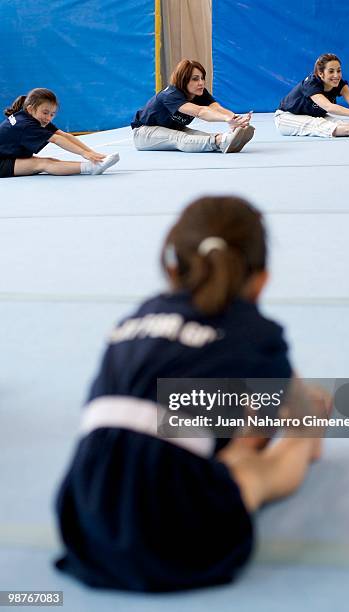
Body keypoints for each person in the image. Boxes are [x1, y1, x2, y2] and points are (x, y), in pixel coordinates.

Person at [55, 195, 330, 592]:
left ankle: (228, 448)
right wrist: (308, 425)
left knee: (178, 422)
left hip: (84, 518)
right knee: (265, 460)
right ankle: (244, 461)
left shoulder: (137, 315)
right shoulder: (256, 333)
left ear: (171, 266)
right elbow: (302, 422)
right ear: (261, 279)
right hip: (178, 541)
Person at [131, 59, 255, 153]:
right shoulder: (170, 95)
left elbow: (216, 108)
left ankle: (224, 141)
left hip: (172, 128)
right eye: (195, 79)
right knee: (179, 138)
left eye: (202, 78)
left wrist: (235, 118)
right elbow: (200, 111)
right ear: (183, 80)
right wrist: (227, 119)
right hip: (143, 133)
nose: (201, 83)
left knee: (196, 134)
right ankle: (221, 141)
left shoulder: (199, 92)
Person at [0, 88, 119, 178]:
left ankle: (96, 163)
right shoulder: (27, 125)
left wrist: (92, 153)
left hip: (7, 157)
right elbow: (56, 139)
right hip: (2, 163)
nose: (48, 118)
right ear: (31, 109)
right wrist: (84, 153)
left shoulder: (32, 116)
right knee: (43, 163)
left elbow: (64, 135)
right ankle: (92, 167)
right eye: (45, 113)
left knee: (51, 161)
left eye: (52, 114)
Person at [275, 53, 349, 138]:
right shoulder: (311, 84)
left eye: (339, 71)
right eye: (331, 71)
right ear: (321, 73)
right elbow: (328, 107)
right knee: (316, 124)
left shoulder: (340, 84)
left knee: (338, 122)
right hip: (286, 117)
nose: (336, 75)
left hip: (314, 115)